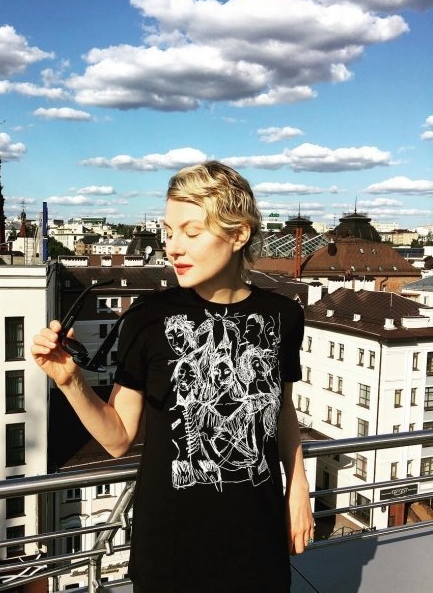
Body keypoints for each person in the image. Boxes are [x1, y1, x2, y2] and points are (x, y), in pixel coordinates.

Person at [31, 161, 314, 592]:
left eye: (191, 232)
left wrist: (298, 490)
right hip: (170, 547)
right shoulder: (147, 317)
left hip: (258, 540)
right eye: (168, 232)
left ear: (239, 234)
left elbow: (282, 411)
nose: (173, 248)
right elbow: (118, 438)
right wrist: (70, 381)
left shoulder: (284, 315)